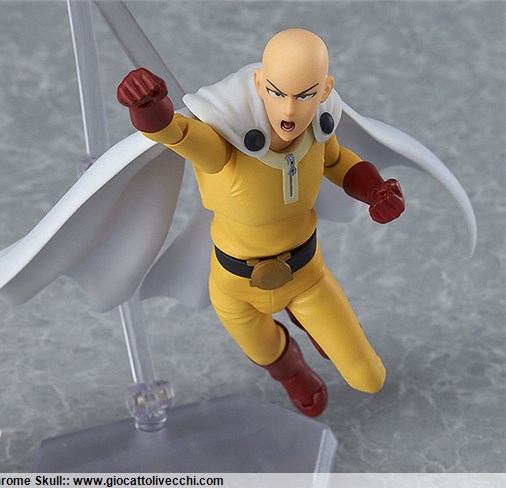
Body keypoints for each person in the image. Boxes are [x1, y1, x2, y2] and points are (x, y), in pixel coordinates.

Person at [117, 29, 405, 417]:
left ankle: (312, 325)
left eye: (304, 95)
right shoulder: (227, 143)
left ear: (325, 90)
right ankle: (293, 372)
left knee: (368, 377)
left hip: (306, 275)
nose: (289, 110)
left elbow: (338, 162)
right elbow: (177, 133)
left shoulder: (319, 130)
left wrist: (375, 190)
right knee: (266, 351)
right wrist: (149, 106)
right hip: (235, 286)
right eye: (277, 92)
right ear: (258, 84)